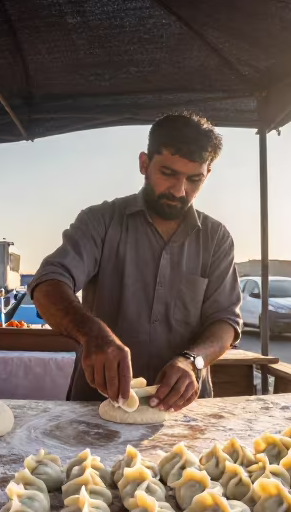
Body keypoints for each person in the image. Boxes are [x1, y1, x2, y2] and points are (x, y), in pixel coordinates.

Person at [30, 112, 241, 411]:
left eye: (194, 179)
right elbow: (48, 285)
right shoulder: (99, 221)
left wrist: (192, 361)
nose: (180, 191)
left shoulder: (217, 238)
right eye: (168, 173)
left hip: (184, 412)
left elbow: (226, 322)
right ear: (144, 164)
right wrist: (92, 333)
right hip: (97, 407)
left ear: (207, 174)